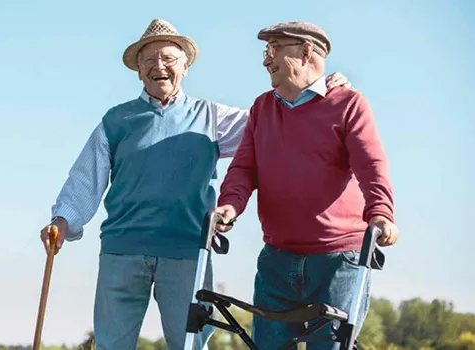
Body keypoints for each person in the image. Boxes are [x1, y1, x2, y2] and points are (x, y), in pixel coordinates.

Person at [40, 19, 352, 350]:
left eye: (168, 59)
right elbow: (86, 178)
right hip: (123, 250)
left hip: (188, 252)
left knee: (190, 345)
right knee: (111, 345)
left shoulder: (211, 116)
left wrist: (319, 90)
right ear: (139, 71)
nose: (158, 66)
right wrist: (63, 219)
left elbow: (277, 121)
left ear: (185, 66)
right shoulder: (117, 121)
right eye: (149, 60)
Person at [213, 21, 399, 349]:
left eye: (274, 50)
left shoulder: (348, 104)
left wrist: (381, 211)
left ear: (305, 52)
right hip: (277, 259)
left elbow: (371, 165)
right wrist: (230, 204)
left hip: (338, 260)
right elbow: (243, 168)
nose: (265, 60)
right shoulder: (262, 108)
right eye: (265, 51)